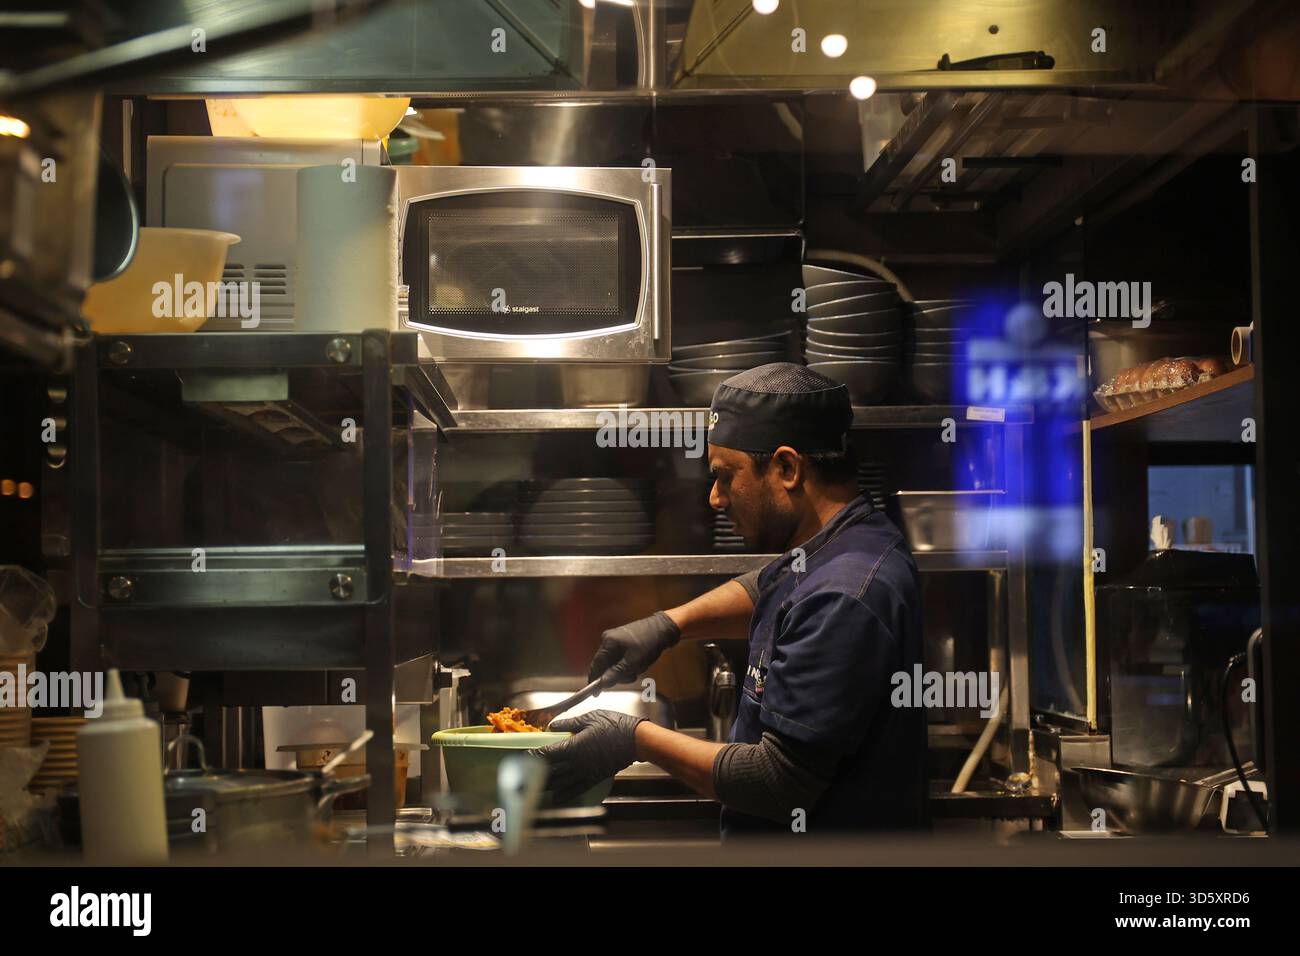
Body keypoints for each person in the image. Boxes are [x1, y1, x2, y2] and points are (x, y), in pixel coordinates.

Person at [533, 363, 927, 836]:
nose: (715, 499)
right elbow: (770, 585)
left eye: (725, 476)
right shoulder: (849, 540)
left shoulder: (844, 594)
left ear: (786, 467)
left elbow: (776, 782)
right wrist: (670, 625)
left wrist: (633, 738)